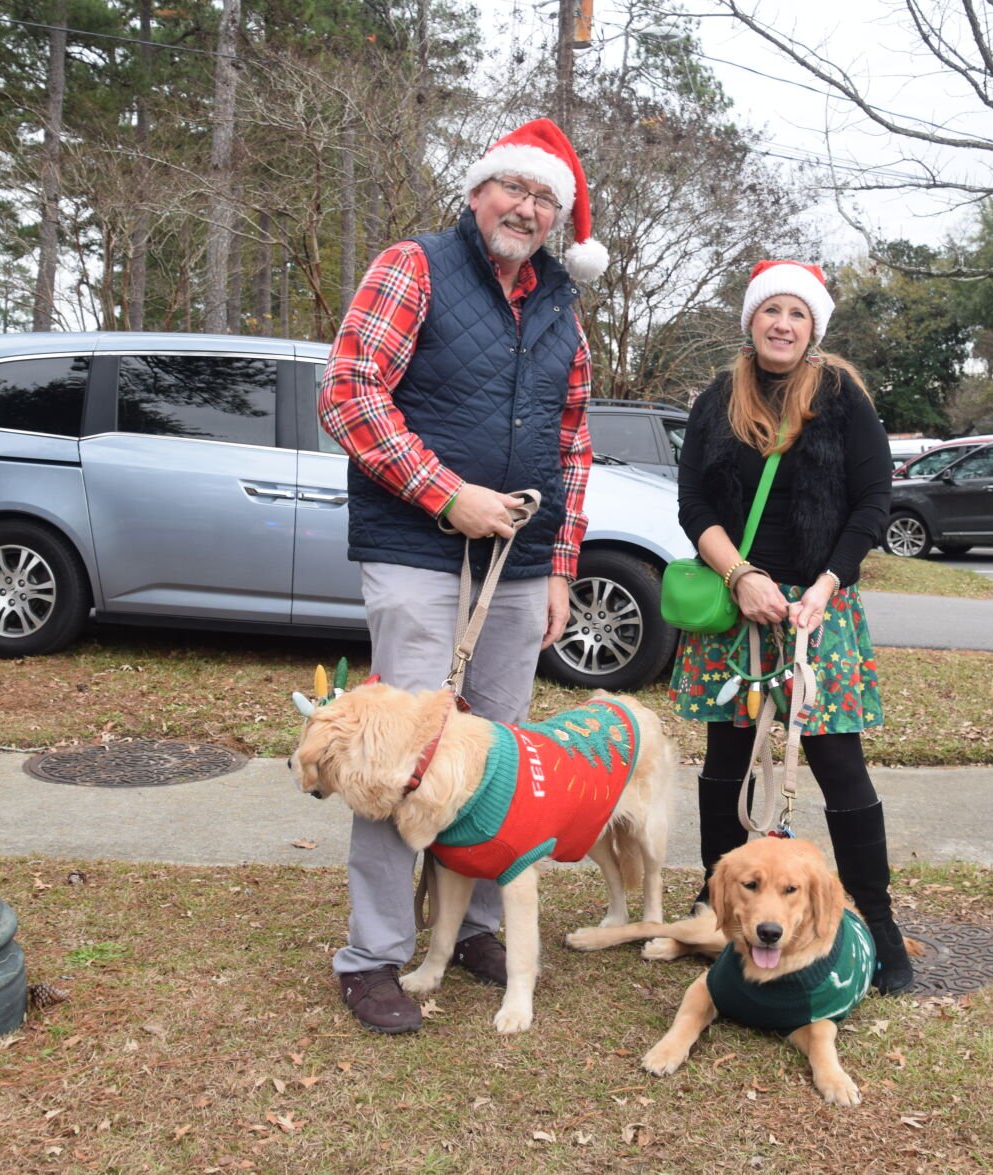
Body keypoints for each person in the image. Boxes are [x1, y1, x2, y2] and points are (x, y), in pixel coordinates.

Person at [315, 118, 608, 1034]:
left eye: (543, 199)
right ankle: (372, 954)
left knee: (498, 765)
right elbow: (349, 393)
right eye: (512, 189)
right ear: (479, 192)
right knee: (392, 763)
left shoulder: (563, 308)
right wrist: (447, 497)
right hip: (417, 554)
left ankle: (476, 926)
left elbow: (573, 446)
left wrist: (559, 566)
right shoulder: (414, 265)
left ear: (558, 217)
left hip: (518, 572)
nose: (525, 209)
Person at [670, 260, 913, 995]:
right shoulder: (719, 396)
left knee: (840, 767)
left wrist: (826, 588)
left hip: (818, 609)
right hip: (734, 609)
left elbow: (874, 501)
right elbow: (693, 507)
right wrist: (740, 576)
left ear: (814, 329)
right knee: (726, 762)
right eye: (770, 309)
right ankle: (722, 914)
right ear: (750, 320)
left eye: (797, 313)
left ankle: (875, 913)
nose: (782, 323)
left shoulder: (840, 396)